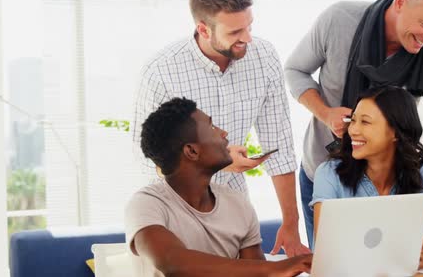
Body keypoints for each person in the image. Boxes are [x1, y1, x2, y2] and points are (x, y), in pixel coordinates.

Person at [284, 0, 423, 255]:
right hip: (325, 173)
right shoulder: (339, 20)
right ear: (400, 2)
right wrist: (325, 112)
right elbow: (295, 70)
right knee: (333, 263)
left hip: (393, 184)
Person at [133, 0, 309, 256]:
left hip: (234, 207)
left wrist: (291, 223)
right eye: (235, 33)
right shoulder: (162, 72)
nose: (247, 39)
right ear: (203, 30)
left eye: (249, 26)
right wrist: (220, 163)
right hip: (178, 210)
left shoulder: (264, 57)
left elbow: (280, 147)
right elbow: (149, 160)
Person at [126, 97, 312, 276]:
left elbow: (257, 274)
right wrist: (276, 268)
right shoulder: (147, 204)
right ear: (192, 151)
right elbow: (172, 263)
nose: (223, 133)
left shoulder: (237, 203)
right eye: (212, 126)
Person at [310, 86, 423, 268]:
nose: (353, 130)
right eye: (353, 120)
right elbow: (326, 254)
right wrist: (403, 256)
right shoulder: (328, 173)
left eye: (365, 122)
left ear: (395, 133)